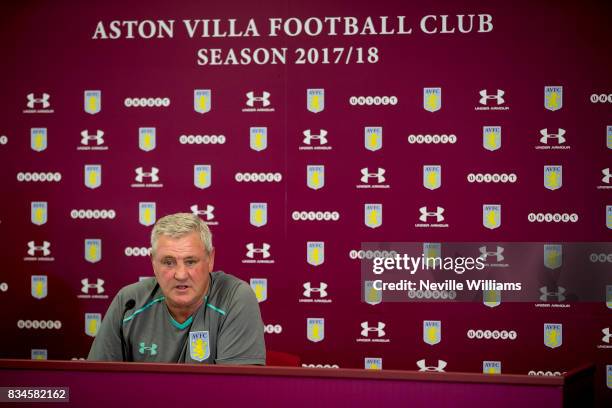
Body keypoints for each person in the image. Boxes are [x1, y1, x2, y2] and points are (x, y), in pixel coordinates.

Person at [88, 213, 266, 364]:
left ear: (210, 259)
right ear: (152, 262)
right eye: (168, 262)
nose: (180, 274)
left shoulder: (234, 298)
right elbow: (98, 383)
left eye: (190, 261)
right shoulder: (129, 302)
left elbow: (237, 392)